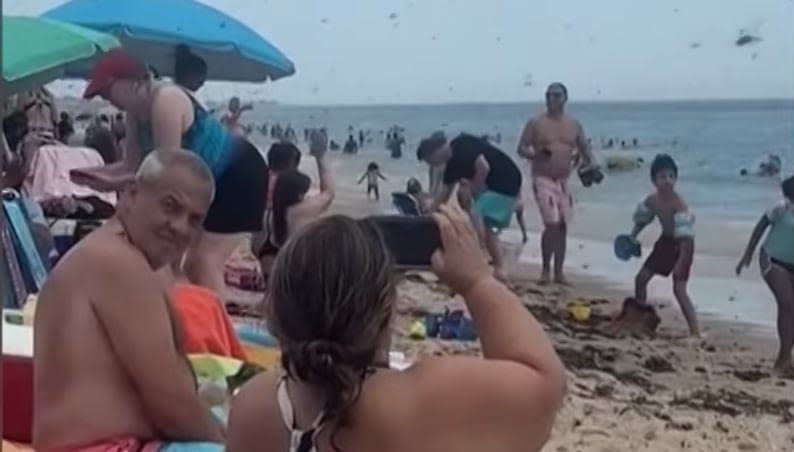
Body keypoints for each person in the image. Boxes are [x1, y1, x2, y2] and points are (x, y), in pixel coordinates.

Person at [226, 206, 566, 452]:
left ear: (277, 316)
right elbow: (544, 384)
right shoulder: (421, 401)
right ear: (386, 309)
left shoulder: (254, 406)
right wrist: (477, 282)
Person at [33, 150, 225, 452]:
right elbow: (171, 406)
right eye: (170, 206)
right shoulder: (116, 262)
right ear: (132, 194)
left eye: (194, 220)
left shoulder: (133, 258)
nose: (180, 227)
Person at [70, 49, 267, 297]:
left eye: (108, 91)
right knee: (178, 261)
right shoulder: (135, 113)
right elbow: (131, 166)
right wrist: (95, 174)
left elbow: (167, 174)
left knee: (204, 261)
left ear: (134, 81)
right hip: (204, 182)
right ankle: (185, 314)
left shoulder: (166, 100)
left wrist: (113, 183)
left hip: (238, 175)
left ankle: (213, 330)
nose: (108, 100)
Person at [517, 82, 599, 285]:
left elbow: (584, 148)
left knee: (562, 226)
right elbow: (521, 148)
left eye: (556, 95)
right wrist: (535, 154)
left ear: (565, 98)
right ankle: (545, 270)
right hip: (542, 177)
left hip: (564, 180)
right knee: (551, 223)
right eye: (548, 95)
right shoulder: (536, 123)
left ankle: (559, 272)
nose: (551, 99)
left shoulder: (574, 124)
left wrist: (592, 164)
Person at [417, 132, 522, 281]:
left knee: (475, 212)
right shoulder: (451, 167)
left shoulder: (461, 145)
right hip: (493, 186)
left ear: (436, 150)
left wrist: (475, 188)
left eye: (430, 161)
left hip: (506, 180)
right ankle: (499, 268)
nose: (432, 165)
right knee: (488, 229)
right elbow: (445, 193)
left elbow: (483, 166)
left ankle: (480, 250)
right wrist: (430, 214)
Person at [627, 154, 700, 337]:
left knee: (679, 289)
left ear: (675, 178)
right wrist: (632, 237)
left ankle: (695, 332)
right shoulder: (652, 201)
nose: (667, 181)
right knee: (641, 279)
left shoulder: (679, 204)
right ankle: (640, 319)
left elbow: (685, 238)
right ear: (654, 180)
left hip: (684, 245)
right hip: (665, 243)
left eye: (671, 176)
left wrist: (682, 263)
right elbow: (643, 220)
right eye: (662, 177)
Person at [736, 173, 794, 371]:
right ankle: (786, 357)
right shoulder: (782, 206)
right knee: (786, 303)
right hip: (772, 259)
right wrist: (747, 255)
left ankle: (784, 357)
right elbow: (760, 226)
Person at [255, 129, 333, 277]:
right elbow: (328, 194)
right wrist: (320, 157)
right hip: (293, 271)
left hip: (265, 254)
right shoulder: (298, 212)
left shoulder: (258, 196)